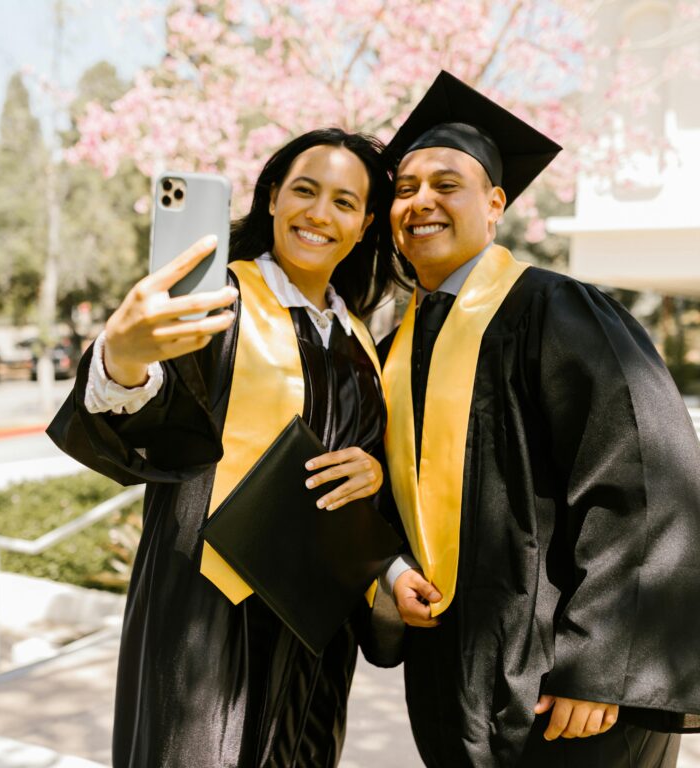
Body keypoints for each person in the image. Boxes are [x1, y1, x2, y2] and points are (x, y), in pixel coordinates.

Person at [47, 127, 405, 767]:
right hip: (206, 610)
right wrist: (123, 359)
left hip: (313, 629)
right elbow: (149, 416)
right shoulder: (218, 302)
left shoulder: (358, 339)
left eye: (344, 203)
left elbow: (368, 469)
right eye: (304, 190)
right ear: (271, 198)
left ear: (363, 224)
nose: (320, 213)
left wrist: (373, 472)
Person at [377, 71, 700, 768]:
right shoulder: (398, 347)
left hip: (566, 689)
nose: (421, 201)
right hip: (454, 676)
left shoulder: (556, 310)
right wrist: (389, 569)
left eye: (446, 184)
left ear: (495, 205)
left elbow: (641, 480)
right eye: (405, 189)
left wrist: (603, 662)